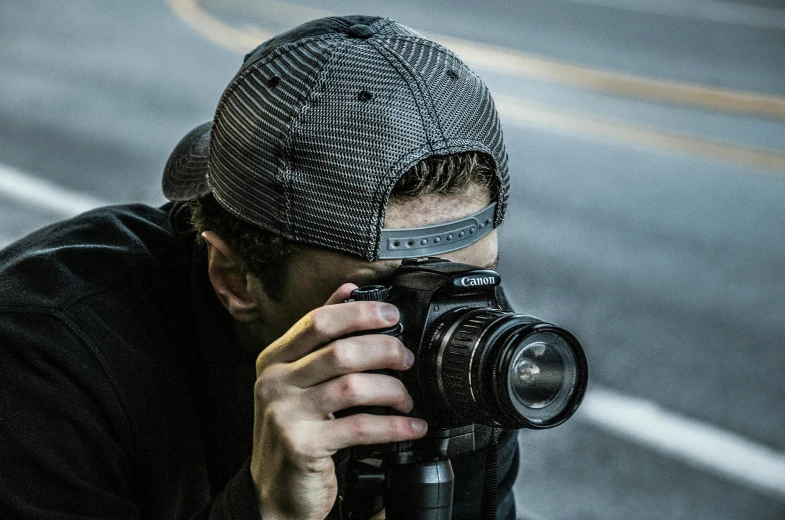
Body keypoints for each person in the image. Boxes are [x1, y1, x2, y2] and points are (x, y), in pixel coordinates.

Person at [0, 15, 519, 520]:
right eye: (386, 297)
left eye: (465, 283)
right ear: (236, 279)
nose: (440, 328)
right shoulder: (43, 359)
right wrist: (268, 510)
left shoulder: (466, 348)